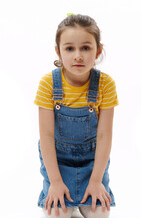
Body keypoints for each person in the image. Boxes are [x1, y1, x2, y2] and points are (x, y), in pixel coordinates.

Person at [34, 14, 119, 218]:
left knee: (100, 213)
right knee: (58, 213)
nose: (78, 56)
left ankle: (83, 205)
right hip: (58, 163)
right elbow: (46, 137)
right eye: (70, 48)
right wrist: (55, 183)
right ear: (58, 51)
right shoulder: (48, 84)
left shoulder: (105, 84)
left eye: (86, 48)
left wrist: (97, 181)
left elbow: (104, 136)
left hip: (93, 164)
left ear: (98, 50)